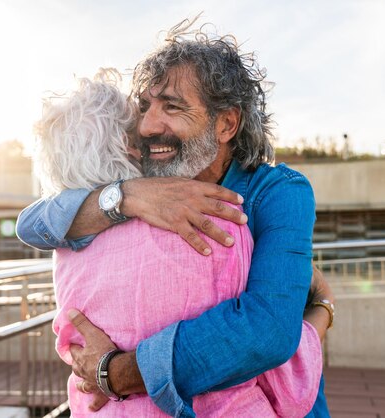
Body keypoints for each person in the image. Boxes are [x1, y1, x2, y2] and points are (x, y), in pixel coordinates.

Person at [17, 19, 332, 417]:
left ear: (226, 124)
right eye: (145, 106)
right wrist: (126, 196)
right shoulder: (140, 179)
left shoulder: (278, 191)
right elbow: (31, 224)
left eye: (172, 106)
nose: (147, 125)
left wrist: (116, 372)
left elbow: (266, 331)